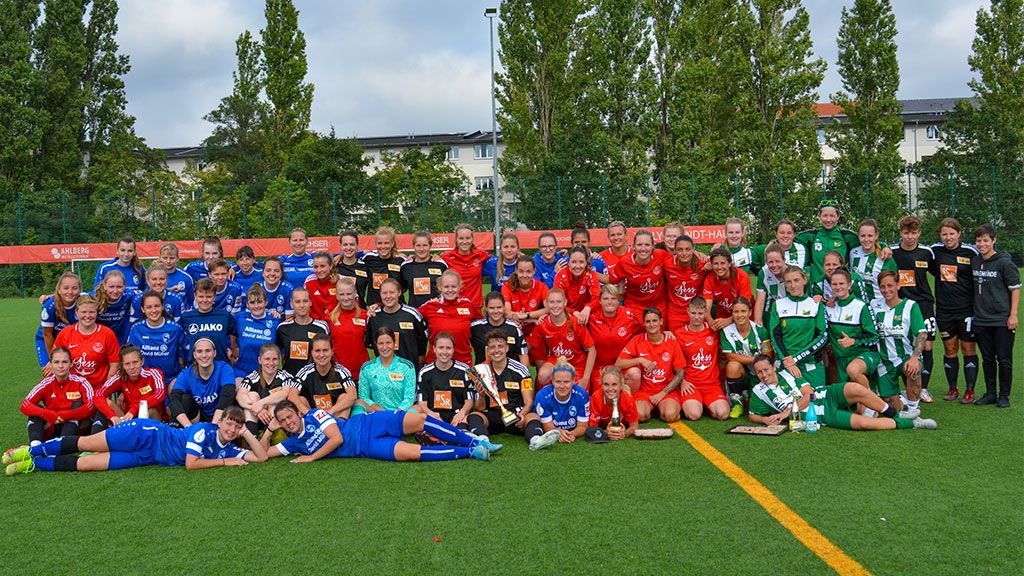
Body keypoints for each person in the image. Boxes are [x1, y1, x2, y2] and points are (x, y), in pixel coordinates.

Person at [3, 405, 267, 475]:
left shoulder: (230, 445)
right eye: (229, 424)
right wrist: (226, 463)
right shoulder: (204, 432)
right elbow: (191, 464)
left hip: (147, 456)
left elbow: (261, 457)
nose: (231, 430)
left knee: (87, 465)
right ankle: (31, 451)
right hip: (144, 433)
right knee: (85, 444)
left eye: (237, 427)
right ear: (219, 422)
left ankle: (35, 465)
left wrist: (246, 434)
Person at [260, 400, 496, 463]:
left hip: (369, 423)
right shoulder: (293, 443)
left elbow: (337, 438)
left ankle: (471, 440)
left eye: (290, 416)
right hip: (366, 447)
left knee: (420, 420)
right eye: (283, 421)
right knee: (413, 453)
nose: (288, 422)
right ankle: (472, 452)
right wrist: (270, 430)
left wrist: (311, 457)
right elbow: (263, 455)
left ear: (298, 414)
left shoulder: (314, 415)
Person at [746, 355, 935, 430]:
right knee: (865, 424)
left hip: (824, 394)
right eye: (759, 372)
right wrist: (764, 420)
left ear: (773, 367)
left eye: (766, 369)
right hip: (819, 414)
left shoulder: (788, 373)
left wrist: (786, 413)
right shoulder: (759, 391)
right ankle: (913, 424)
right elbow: (753, 415)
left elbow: (810, 394)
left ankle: (895, 413)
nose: (763, 375)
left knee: (856, 388)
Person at [463, 330, 544, 444]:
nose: (496, 350)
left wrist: (522, 415)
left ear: (507, 348)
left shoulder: (521, 370)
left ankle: (536, 440)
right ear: (488, 350)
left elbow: (528, 402)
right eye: (492, 347)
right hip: (493, 415)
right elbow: (480, 408)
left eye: (500, 346)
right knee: (474, 416)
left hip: (515, 414)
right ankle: (483, 440)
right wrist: (481, 395)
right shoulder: (480, 371)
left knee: (533, 416)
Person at [969, 224, 1020, 408]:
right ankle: (991, 393)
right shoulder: (975, 262)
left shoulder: (1005, 263)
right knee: (988, 359)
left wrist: (1012, 315)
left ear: (993, 240)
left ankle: (1004, 396)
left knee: (1004, 359)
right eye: (978, 240)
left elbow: (1015, 290)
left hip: (1001, 320)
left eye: (985, 240)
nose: (981, 244)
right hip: (981, 319)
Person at [930, 217, 980, 402]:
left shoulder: (971, 252)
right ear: (940, 235)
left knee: (968, 349)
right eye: (944, 234)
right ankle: (953, 389)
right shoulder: (934, 252)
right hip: (944, 311)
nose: (948, 237)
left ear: (959, 234)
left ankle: (970, 390)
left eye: (952, 233)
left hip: (967, 310)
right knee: (950, 349)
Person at [890, 215, 938, 402]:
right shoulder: (892, 252)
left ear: (919, 233)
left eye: (914, 233)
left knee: (926, 346)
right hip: (902, 306)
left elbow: (938, 273)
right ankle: (906, 386)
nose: (910, 237)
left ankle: (924, 387)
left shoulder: (927, 253)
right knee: (904, 344)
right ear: (901, 233)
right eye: (906, 233)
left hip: (924, 304)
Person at [870, 270, 927, 413]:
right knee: (893, 409)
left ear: (898, 285)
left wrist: (915, 357)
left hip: (906, 357)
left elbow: (922, 333)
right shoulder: (873, 305)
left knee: (914, 369)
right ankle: (902, 401)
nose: (886, 290)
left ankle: (914, 409)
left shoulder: (910, 306)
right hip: (885, 362)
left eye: (890, 285)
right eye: (882, 286)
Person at [616, 307, 686, 423]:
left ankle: (665, 407)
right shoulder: (637, 340)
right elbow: (618, 364)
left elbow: (680, 373)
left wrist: (663, 393)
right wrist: (640, 360)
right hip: (645, 391)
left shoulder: (671, 341)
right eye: (648, 321)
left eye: (655, 321)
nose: (651, 324)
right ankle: (649, 409)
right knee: (640, 415)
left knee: (670, 415)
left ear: (661, 321)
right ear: (644, 323)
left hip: (666, 390)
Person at [19, 347, 95, 446]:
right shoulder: (45, 383)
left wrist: (67, 414)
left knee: (78, 404)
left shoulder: (81, 382)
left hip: (75, 429)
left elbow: (91, 406)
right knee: (36, 410)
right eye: (56, 362)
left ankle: (63, 444)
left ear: (71, 364)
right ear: (50, 364)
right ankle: (35, 446)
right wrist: (48, 414)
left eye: (64, 362)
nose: (60, 366)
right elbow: (25, 405)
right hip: (53, 425)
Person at [672, 298, 731, 421]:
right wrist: (681, 381)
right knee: (694, 415)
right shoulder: (679, 334)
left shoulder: (713, 331)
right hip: (691, 384)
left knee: (723, 414)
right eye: (693, 313)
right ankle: (697, 403)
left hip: (711, 385)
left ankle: (707, 403)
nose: (697, 317)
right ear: (687, 311)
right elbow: (673, 362)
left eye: (700, 313)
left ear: (705, 313)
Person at [770, 266, 828, 388]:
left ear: (804, 280)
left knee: (817, 402)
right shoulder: (778, 305)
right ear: (784, 284)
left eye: (796, 280)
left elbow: (822, 336)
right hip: (785, 363)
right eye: (788, 282)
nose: (793, 285)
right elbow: (775, 336)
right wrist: (787, 360)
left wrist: (795, 358)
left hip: (811, 362)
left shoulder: (815, 304)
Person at [527, 288, 596, 388]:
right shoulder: (543, 323)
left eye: (559, 302)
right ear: (546, 304)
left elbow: (592, 349)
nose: (555, 306)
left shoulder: (575, 322)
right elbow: (528, 345)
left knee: (578, 390)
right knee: (542, 376)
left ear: (565, 302)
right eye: (552, 302)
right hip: (556, 361)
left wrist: (586, 378)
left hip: (577, 363)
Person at [825, 268, 879, 391]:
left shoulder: (861, 306)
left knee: (853, 370)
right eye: (834, 284)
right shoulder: (828, 307)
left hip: (863, 355)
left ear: (849, 285)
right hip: (841, 360)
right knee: (854, 407)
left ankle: (871, 399)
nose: (838, 287)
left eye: (841, 283)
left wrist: (853, 341)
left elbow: (875, 336)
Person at [53, 294, 121, 389]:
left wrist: (106, 388)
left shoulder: (107, 334)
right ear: (76, 312)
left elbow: (114, 364)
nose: (88, 316)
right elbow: (55, 362)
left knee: (108, 404)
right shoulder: (65, 334)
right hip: (72, 388)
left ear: (97, 312)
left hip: (98, 388)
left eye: (92, 312)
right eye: (83, 312)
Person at [92, 346, 166, 432]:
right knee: (107, 402)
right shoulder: (121, 377)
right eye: (127, 364)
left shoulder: (154, 373)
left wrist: (134, 409)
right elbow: (98, 394)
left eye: (135, 362)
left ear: (142, 361)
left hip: (153, 420)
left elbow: (160, 394)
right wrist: (111, 416)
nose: (131, 367)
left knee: (146, 409)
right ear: (122, 365)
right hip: (128, 419)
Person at [720, 297, 772, 418]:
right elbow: (730, 356)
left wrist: (758, 362)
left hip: (760, 374)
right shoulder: (726, 332)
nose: (739, 315)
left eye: (743, 311)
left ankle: (749, 396)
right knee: (732, 366)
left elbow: (768, 357)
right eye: (736, 312)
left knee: (760, 408)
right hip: (742, 373)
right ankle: (737, 403)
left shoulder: (760, 331)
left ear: (750, 312)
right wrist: (755, 359)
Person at [586, 284, 643, 393]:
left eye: (613, 298)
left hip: (623, 366)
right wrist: (580, 310)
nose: (609, 302)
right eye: (605, 299)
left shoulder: (629, 315)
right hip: (600, 368)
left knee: (635, 374)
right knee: (604, 398)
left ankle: (632, 403)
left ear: (618, 301)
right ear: (599, 301)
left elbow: (647, 328)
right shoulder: (591, 317)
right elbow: (567, 313)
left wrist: (665, 332)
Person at [418, 270, 482, 365]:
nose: (450, 290)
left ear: (459, 287)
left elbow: (483, 323)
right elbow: (410, 316)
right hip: (435, 361)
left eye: (454, 286)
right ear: (440, 287)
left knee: (472, 380)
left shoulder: (468, 305)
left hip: (464, 361)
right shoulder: (431, 305)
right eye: (446, 287)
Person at [236, 343, 301, 436]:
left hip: (277, 423)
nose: (271, 363)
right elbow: (240, 395)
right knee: (252, 395)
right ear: (259, 360)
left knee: (275, 404)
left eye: (274, 359)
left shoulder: (285, 376)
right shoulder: (252, 377)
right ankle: (251, 441)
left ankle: (270, 438)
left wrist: (260, 404)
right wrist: (256, 409)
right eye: (267, 359)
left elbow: (284, 393)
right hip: (255, 419)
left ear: (279, 361)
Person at [169, 338, 236, 425]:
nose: (204, 355)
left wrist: (213, 426)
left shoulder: (224, 368)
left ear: (214, 353)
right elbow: (174, 399)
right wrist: (189, 428)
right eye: (199, 351)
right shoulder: (187, 374)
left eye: (208, 351)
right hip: (198, 416)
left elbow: (228, 395)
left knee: (233, 402)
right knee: (185, 399)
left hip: (220, 416)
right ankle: (175, 432)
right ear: (194, 354)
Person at [365, 278, 429, 370]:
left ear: (399, 293)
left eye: (392, 292)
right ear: (380, 294)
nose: (388, 296)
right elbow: (371, 342)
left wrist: (421, 356)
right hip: (383, 372)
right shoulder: (374, 316)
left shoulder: (412, 315)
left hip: (408, 371)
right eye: (384, 293)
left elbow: (423, 339)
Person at [794, 200, 862, 285]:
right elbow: (785, 239)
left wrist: (883, 246)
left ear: (838, 216)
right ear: (819, 216)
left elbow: (869, 241)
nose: (828, 219)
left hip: (840, 287)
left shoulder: (847, 236)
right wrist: (773, 244)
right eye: (825, 216)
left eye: (832, 216)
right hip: (817, 288)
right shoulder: (810, 236)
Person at [415, 333, 474, 427]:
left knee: (466, 424)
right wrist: (431, 414)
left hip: (457, 415)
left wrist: (461, 413)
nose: (445, 352)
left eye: (448, 348)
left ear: (454, 349)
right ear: (434, 349)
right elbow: (422, 403)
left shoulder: (464, 370)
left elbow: (469, 400)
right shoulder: (424, 373)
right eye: (441, 347)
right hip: (434, 415)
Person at [127, 291, 187, 382]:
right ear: (143, 309)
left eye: (157, 306)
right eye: (149, 307)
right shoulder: (136, 329)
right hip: (145, 380)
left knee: (176, 394)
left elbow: (185, 350)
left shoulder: (175, 328)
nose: (154, 310)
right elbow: (129, 354)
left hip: (171, 379)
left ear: (162, 306)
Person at [531, 358, 590, 450]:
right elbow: (548, 427)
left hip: (570, 431)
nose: (562, 386)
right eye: (558, 382)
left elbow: (582, 426)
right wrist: (558, 432)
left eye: (566, 382)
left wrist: (572, 434)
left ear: (574, 381)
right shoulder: (543, 396)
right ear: (552, 381)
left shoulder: (581, 395)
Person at [355, 328, 418, 415]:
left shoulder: (407, 367)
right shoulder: (367, 368)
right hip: (376, 414)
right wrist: (383, 412)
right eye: (381, 343)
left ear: (394, 343)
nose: (385, 347)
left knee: (417, 409)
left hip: (400, 416)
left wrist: (395, 414)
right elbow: (364, 397)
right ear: (376, 345)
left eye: (388, 343)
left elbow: (409, 398)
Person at [607, 229, 669, 317]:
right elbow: (611, 280)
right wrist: (589, 270)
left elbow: (679, 261)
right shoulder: (625, 263)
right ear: (633, 247)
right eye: (639, 245)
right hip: (635, 308)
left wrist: (694, 254)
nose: (643, 249)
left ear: (653, 247)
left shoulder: (661, 255)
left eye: (647, 245)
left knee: (657, 330)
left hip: (659, 308)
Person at [294, 334, 358, 417]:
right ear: (311, 353)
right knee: (300, 399)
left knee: (344, 397)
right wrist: (310, 414)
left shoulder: (342, 371)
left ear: (332, 351)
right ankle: (308, 428)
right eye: (317, 351)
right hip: (313, 416)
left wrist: (330, 412)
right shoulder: (305, 372)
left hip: (335, 415)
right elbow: (292, 395)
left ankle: (341, 427)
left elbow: (352, 395)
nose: (321, 355)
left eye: (325, 350)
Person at [180, 278, 237, 364]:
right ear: (195, 296)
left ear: (215, 296)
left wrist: (231, 348)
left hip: (220, 364)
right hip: (196, 365)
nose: (205, 300)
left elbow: (234, 332)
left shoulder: (224, 316)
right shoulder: (186, 317)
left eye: (209, 297)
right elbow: (180, 339)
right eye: (201, 296)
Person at [275, 287, 330, 376]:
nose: (302, 305)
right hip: (290, 379)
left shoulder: (322, 328)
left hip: (314, 379)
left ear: (310, 302)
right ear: (291, 304)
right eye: (297, 302)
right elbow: (276, 354)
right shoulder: (283, 328)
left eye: (305, 301)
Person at [233, 284, 280, 382]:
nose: (256, 306)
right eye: (252, 302)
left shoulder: (275, 320)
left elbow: (281, 347)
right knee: (239, 389)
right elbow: (226, 329)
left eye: (259, 302)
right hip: (242, 370)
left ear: (266, 302)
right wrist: (232, 349)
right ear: (247, 304)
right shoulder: (240, 318)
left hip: (266, 371)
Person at [35, 272, 80, 374]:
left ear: (79, 290)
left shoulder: (82, 300)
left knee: (74, 373)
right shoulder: (49, 306)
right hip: (48, 340)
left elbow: (97, 292)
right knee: (52, 372)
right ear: (59, 289)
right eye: (66, 288)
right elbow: (47, 334)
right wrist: (52, 360)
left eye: (74, 288)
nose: (70, 292)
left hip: (70, 342)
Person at [440, 223, 493, 310]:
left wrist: (519, 255)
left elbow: (502, 260)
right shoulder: (446, 257)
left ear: (472, 239)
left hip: (475, 307)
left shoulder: (481, 255)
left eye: (468, 238)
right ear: (456, 240)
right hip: (455, 306)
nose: (464, 242)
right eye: (461, 238)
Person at [470, 292, 529, 366]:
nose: (496, 311)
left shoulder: (514, 328)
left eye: (499, 307)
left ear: (504, 307)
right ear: (486, 308)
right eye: (492, 308)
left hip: (509, 375)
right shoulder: (475, 327)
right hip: (482, 374)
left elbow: (523, 355)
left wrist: (523, 375)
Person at [663, 234, 708, 333]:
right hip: (675, 315)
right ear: (674, 250)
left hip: (696, 313)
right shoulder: (667, 264)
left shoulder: (702, 263)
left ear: (693, 250)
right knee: (675, 343)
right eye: (680, 249)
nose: (684, 253)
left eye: (688, 249)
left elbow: (721, 263)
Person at [327, 277, 370, 378]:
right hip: (337, 372)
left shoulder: (365, 315)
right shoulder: (329, 318)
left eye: (349, 294)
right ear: (337, 296)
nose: (345, 298)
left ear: (355, 293)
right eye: (342, 294)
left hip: (361, 371)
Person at [702, 247, 753, 331]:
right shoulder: (710, 279)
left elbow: (745, 306)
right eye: (715, 263)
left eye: (722, 263)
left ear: (729, 264)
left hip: (742, 316)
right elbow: (706, 309)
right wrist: (712, 323)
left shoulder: (741, 276)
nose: (719, 267)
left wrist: (729, 320)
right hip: (721, 318)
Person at [849, 218, 898, 303]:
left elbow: (894, 285)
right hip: (858, 306)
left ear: (876, 236)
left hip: (879, 305)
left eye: (870, 236)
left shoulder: (884, 256)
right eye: (863, 236)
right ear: (858, 236)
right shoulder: (853, 253)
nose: (866, 239)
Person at [502, 255, 548, 338]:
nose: (525, 275)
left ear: (534, 271)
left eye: (528, 271)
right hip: (514, 329)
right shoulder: (507, 286)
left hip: (534, 330)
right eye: (521, 271)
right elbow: (507, 312)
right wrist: (530, 320)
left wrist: (527, 315)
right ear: (516, 271)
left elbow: (549, 309)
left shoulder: (542, 287)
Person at [554, 246, 600, 325]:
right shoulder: (561, 276)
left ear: (586, 263)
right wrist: (574, 312)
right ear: (568, 263)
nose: (577, 266)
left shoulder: (591, 274)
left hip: (587, 314)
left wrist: (588, 308)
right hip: (566, 314)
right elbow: (557, 303)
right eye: (574, 262)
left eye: (581, 262)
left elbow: (596, 298)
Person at [400, 231, 448, 308]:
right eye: (418, 245)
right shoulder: (406, 266)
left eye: (425, 245)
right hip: (415, 311)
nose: (421, 249)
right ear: (413, 246)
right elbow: (401, 289)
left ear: (430, 246)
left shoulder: (440, 264)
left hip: (436, 311)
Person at [588, 367, 638, 440]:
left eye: (614, 384)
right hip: (603, 427)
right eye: (606, 384)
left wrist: (626, 433)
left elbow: (634, 426)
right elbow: (592, 428)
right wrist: (606, 433)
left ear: (621, 386)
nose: (610, 389)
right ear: (601, 385)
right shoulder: (596, 397)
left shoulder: (628, 398)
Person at [363, 226, 407, 306]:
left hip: (397, 307)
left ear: (392, 244)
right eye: (380, 243)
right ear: (375, 244)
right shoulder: (369, 258)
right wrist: (340, 256)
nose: (383, 246)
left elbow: (406, 285)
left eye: (386, 243)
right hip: (375, 309)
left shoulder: (401, 260)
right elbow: (351, 257)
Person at [94, 269, 133, 344]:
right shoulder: (95, 297)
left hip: (120, 338)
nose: (115, 291)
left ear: (125, 286)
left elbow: (146, 295)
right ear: (105, 286)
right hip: (99, 338)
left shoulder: (129, 296)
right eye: (111, 287)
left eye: (119, 287)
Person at [754, 243, 788, 326]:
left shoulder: (793, 272)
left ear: (784, 260)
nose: (774, 265)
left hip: (790, 310)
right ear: (766, 262)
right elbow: (760, 301)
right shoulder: (763, 273)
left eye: (777, 261)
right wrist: (758, 323)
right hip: (772, 310)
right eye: (770, 262)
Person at [335, 229, 370, 306]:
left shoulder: (365, 266)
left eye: (352, 244)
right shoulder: (334, 266)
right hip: (339, 313)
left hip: (360, 312)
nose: (348, 248)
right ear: (340, 246)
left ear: (357, 246)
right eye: (345, 245)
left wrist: (396, 255)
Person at [304, 251, 339, 321]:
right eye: (316, 267)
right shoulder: (309, 281)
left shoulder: (340, 281)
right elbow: (305, 304)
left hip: (336, 321)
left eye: (322, 266)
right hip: (316, 322)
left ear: (331, 266)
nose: (319, 270)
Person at [159, 243, 195, 307]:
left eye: (172, 258)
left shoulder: (186, 277)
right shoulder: (154, 277)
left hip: (183, 315)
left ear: (177, 258)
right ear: (160, 258)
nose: (168, 261)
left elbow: (192, 301)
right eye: (165, 258)